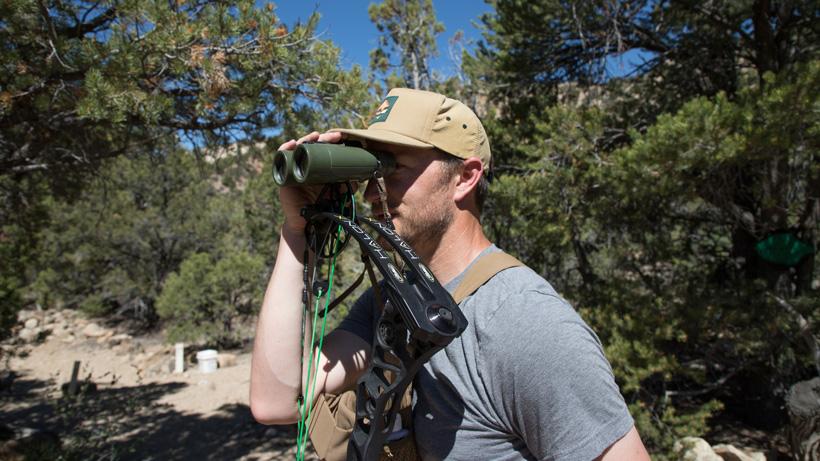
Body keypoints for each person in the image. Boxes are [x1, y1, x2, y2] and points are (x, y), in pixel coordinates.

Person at [250, 88, 651, 460]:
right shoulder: (389, 302)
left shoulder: (525, 323)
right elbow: (279, 401)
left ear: (464, 177)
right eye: (368, 171)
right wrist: (295, 230)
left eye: (390, 168)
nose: (372, 192)